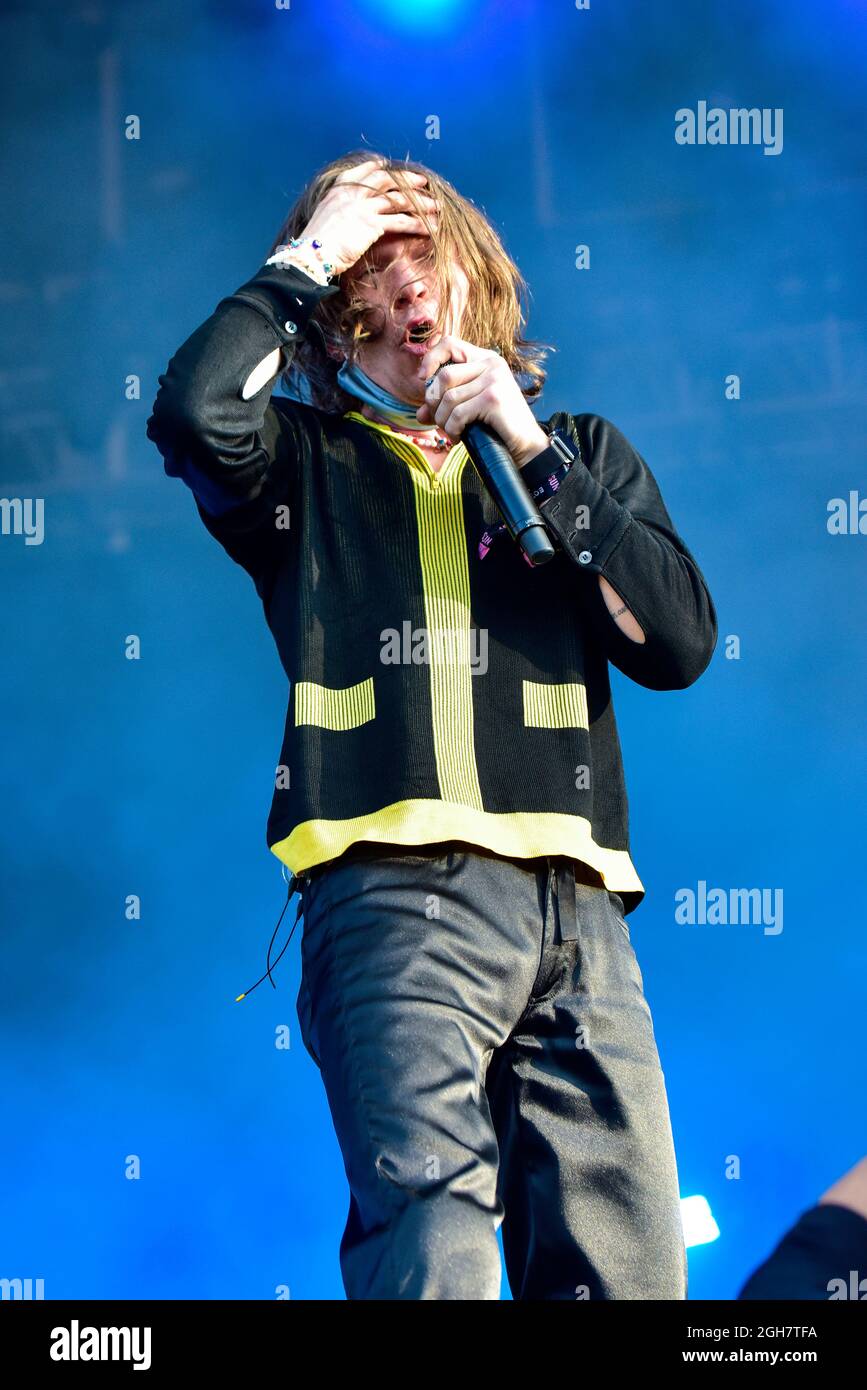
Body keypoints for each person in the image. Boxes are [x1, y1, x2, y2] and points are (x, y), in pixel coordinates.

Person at [147, 152, 717, 1300]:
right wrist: (308, 253)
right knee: (436, 1246)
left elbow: (679, 642)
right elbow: (196, 413)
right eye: (374, 267)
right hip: (396, 893)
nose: (408, 286)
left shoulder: (579, 454)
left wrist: (532, 449)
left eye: (428, 258)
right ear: (339, 318)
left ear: (475, 283)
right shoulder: (305, 464)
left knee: (631, 1266)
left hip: (583, 909)